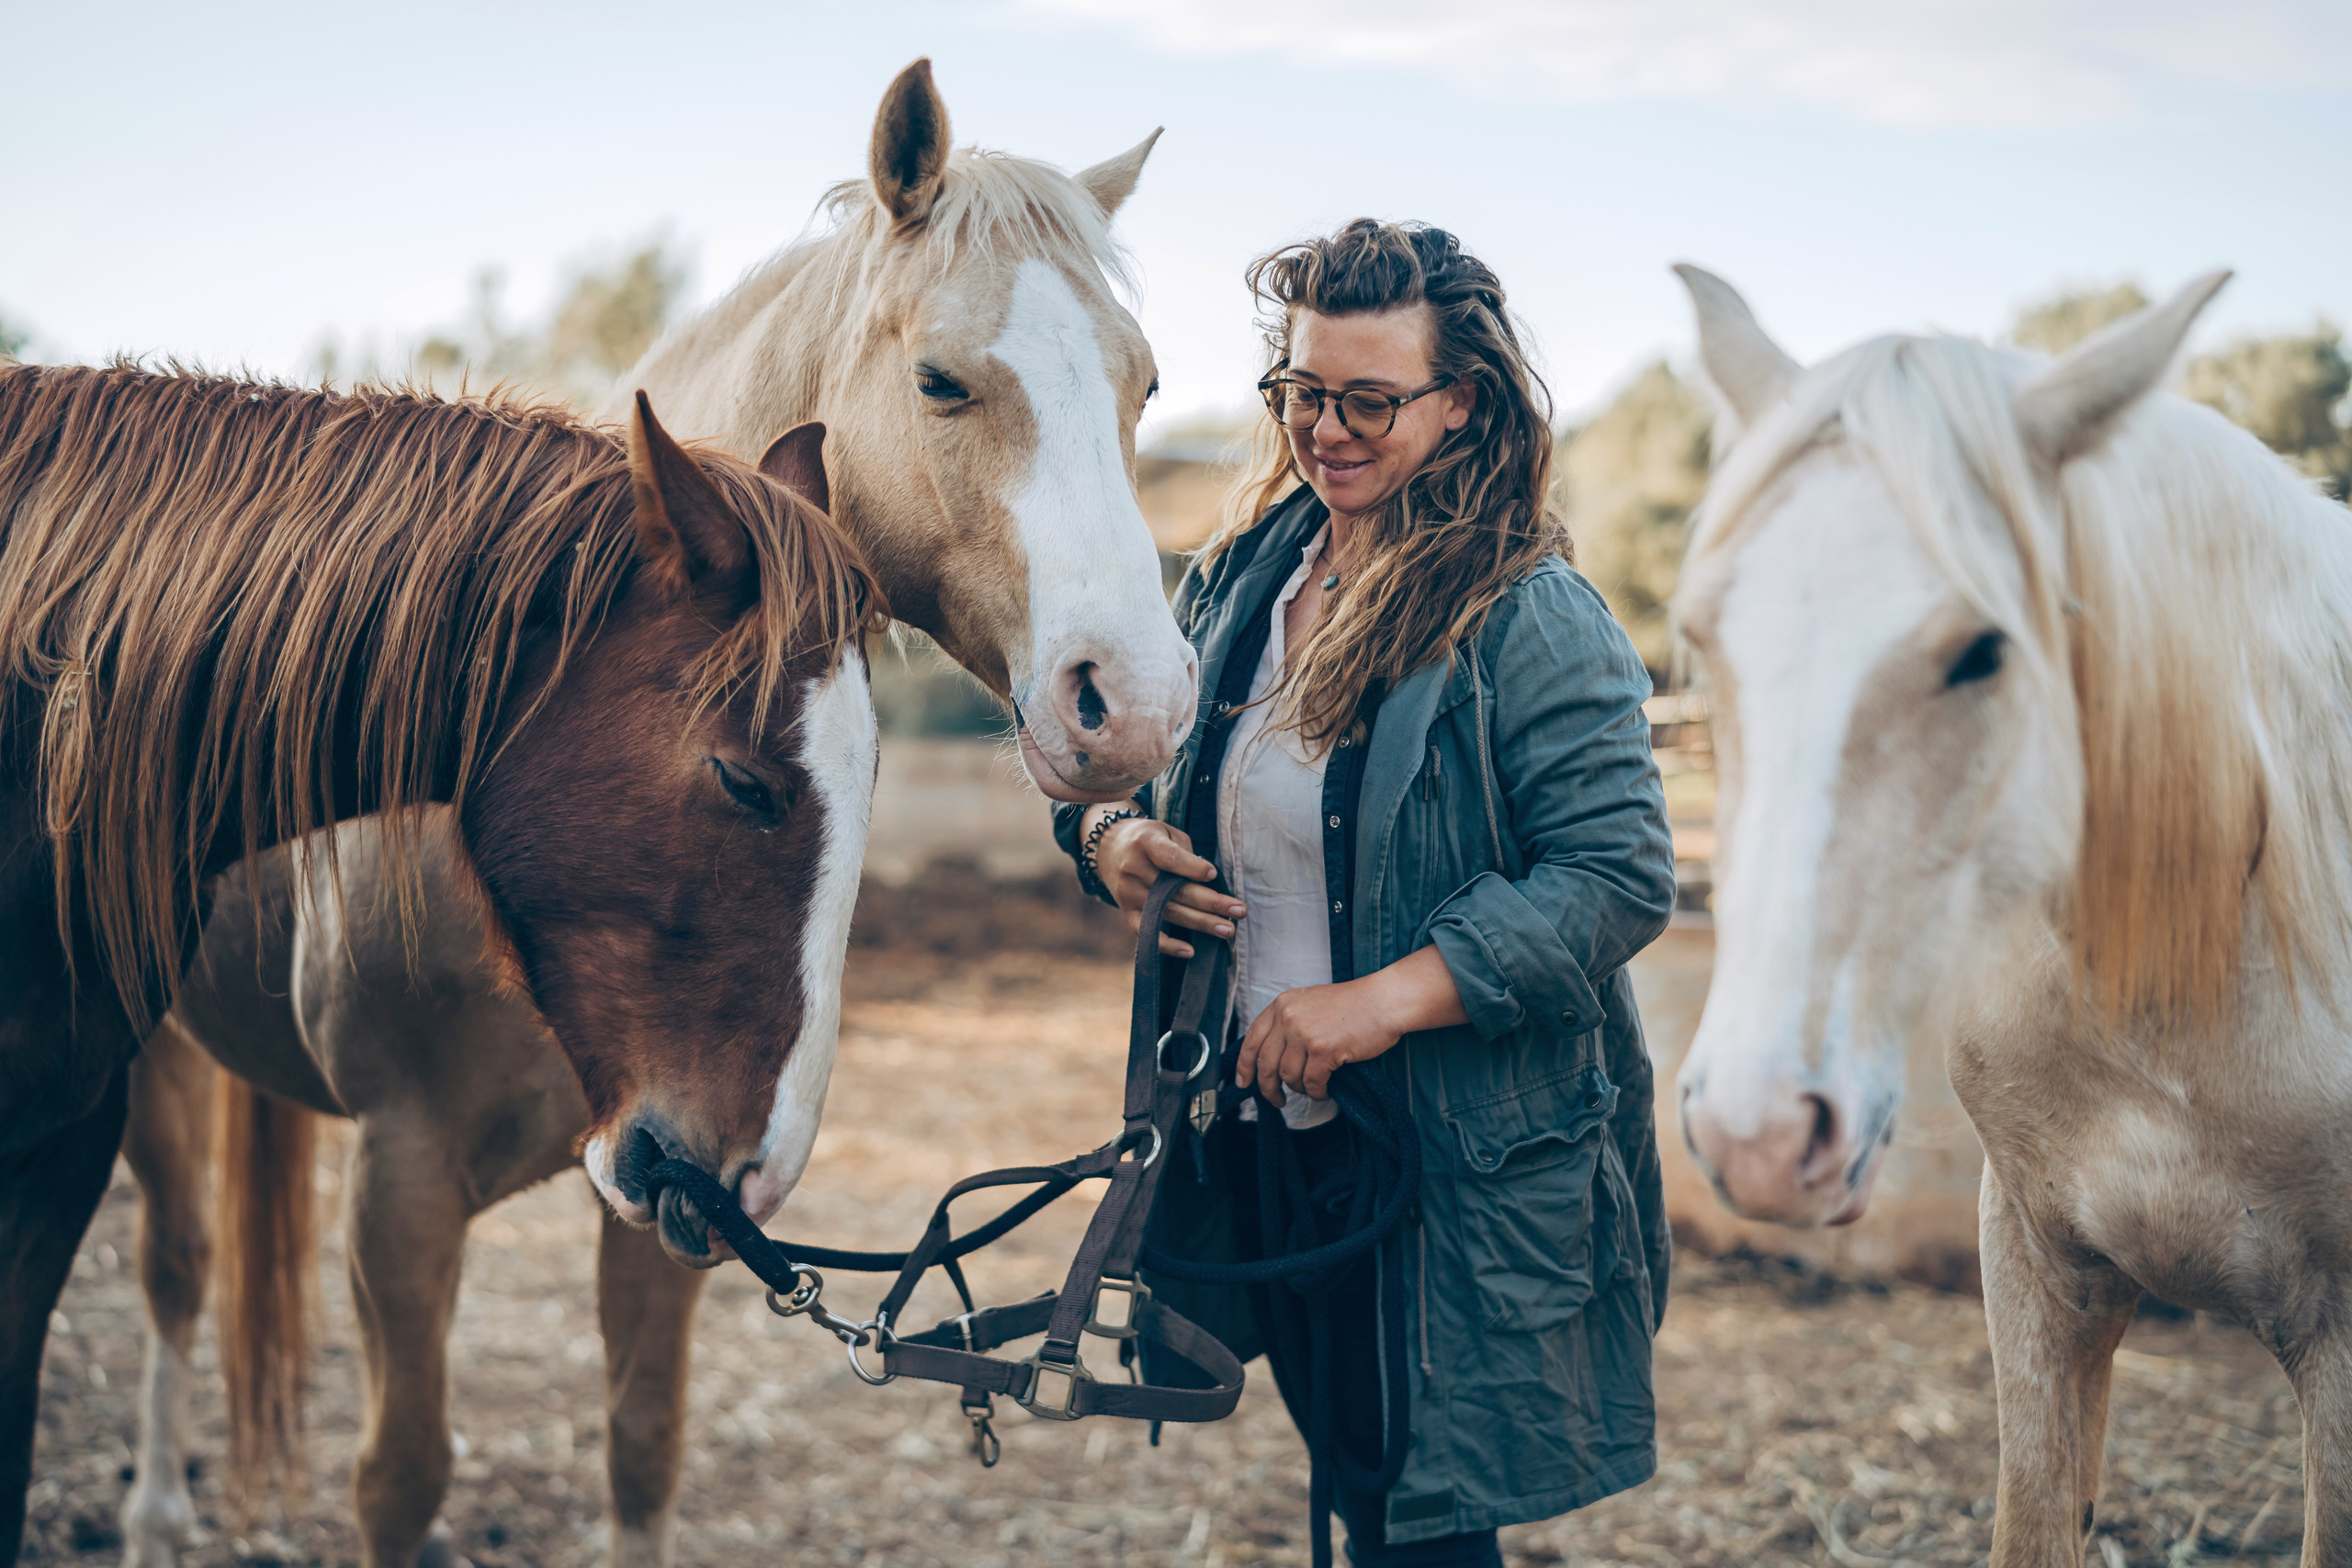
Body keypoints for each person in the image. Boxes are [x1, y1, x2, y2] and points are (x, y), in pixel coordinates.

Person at [1055, 220, 1676, 1566]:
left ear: (1462, 405)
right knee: (1356, 1478)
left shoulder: (1529, 614)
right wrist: (1109, 836)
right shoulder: (1244, 579)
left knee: (1416, 1521)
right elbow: (1132, 771)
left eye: (1369, 402)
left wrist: (1377, 1003)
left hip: (1436, 1155)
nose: (1324, 430)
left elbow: (1617, 878)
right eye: (1302, 391)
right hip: (1262, 1137)